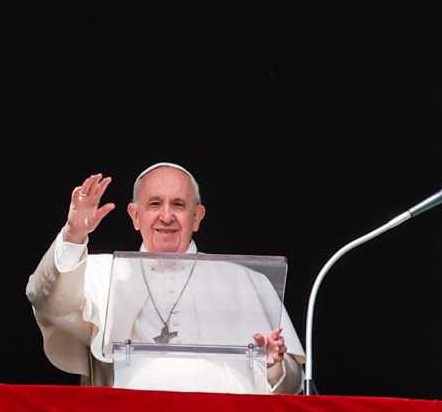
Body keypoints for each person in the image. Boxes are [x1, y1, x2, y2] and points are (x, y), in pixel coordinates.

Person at [26, 162, 305, 394]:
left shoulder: (247, 282)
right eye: (155, 204)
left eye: (179, 205)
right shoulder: (102, 272)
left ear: (197, 216)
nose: (167, 216)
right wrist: (74, 234)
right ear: (135, 216)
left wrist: (272, 364)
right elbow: (46, 300)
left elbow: (291, 387)